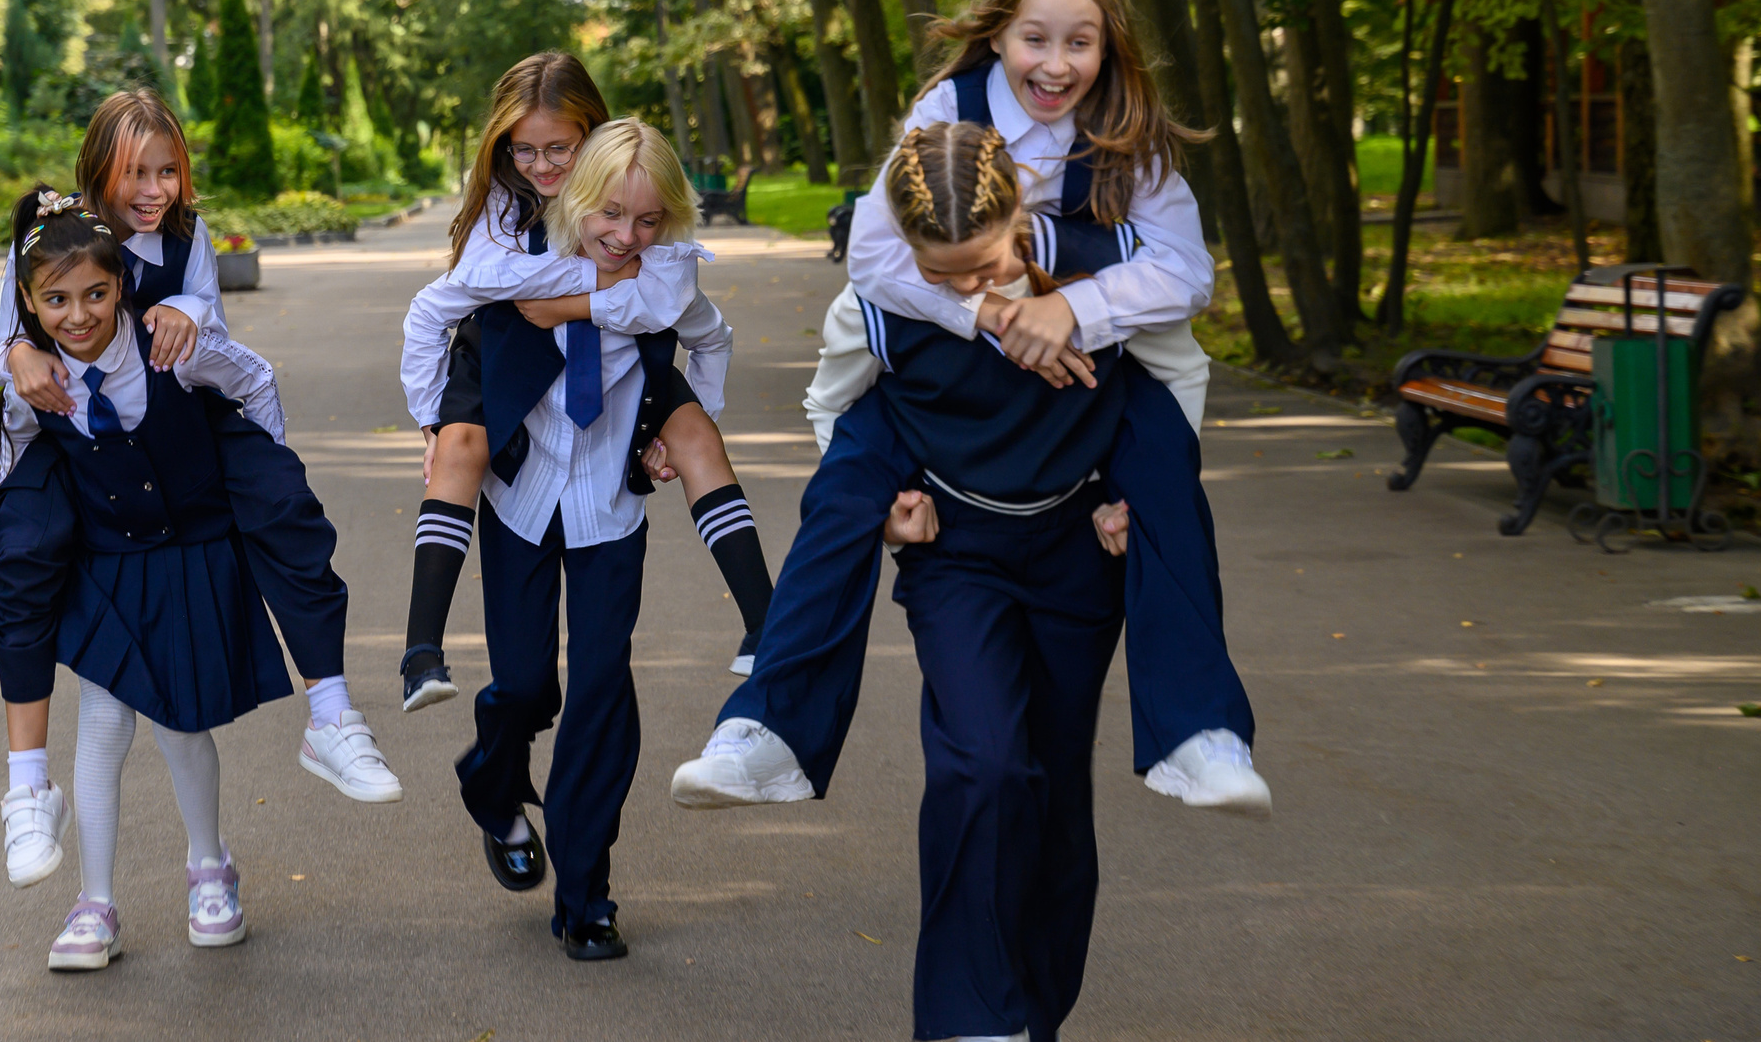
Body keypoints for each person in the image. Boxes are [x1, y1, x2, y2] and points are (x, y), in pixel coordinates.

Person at [672, 120, 1265, 821]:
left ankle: (1202, 728)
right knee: (845, 482)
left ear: (1019, 216)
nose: (964, 290)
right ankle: (769, 726)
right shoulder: (875, 300)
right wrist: (890, 507)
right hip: (928, 466)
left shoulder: (1108, 269)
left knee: (1164, 452)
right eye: (938, 275)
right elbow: (829, 402)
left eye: (982, 268)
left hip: (1081, 478)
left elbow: (1180, 372)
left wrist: (1140, 497)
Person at [0, 92, 397, 893]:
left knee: (283, 507)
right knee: (24, 556)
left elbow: (217, 338)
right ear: (96, 170)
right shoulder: (42, 244)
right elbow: (12, 337)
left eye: (168, 170)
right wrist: (16, 355)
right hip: (73, 441)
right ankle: (30, 791)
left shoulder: (185, 237)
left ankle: (331, 714)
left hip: (182, 408)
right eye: (135, 172)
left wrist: (187, 311)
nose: (154, 189)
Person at [0, 191, 293, 970]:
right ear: (29, 304)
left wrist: (264, 483)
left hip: (172, 551)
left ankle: (210, 866)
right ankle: (95, 902)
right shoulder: (33, 376)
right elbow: (20, 455)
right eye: (56, 300)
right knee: (104, 719)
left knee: (180, 719)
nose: (79, 313)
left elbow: (251, 381)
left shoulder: (162, 349)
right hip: (100, 555)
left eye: (96, 293)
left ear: (121, 285)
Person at [397, 53, 773, 711]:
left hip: (614, 437)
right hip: (507, 387)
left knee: (697, 436)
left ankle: (767, 626)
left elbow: (681, 309)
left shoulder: (638, 217)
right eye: (525, 150)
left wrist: (582, 303)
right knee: (458, 448)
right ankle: (420, 649)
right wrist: (430, 418)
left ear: (592, 137)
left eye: (560, 149)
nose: (542, 166)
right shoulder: (502, 214)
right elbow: (466, 291)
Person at [454, 119, 733, 961]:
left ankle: (586, 892)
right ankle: (491, 781)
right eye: (613, 215)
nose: (627, 234)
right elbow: (442, 329)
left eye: (646, 220)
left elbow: (710, 336)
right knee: (524, 684)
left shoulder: (658, 273)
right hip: (521, 499)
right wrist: (440, 425)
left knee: (603, 686)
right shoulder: (511, 260)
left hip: (610, 505)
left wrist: (681, 424)